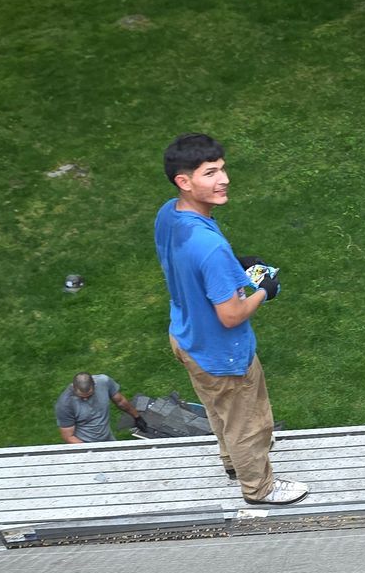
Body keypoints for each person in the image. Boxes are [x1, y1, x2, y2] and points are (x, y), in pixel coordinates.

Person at [154, 133, 308, 505]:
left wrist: (233, 268)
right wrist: (262, 291)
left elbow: (189, 266)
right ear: (184, 182)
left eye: (222, 169)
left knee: (219, 412)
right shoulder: (211, 248)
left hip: (188, 338)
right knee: (248, 424)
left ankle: (233, 464)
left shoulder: (169, 214)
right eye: (210, 173)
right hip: (223, 353)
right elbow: (231, 315)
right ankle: (259, 488)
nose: (223, 179)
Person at [55, 371, 140, 444]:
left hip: (108, 438)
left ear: (94, 385)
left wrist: (137, 417)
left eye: (89, 396)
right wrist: (90, 451)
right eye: (81, 397)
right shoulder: (65, 404)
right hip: (84, 443)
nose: (85, 399)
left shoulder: (104, 382)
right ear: (73, 387)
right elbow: (68, 437)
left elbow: (120, 401)